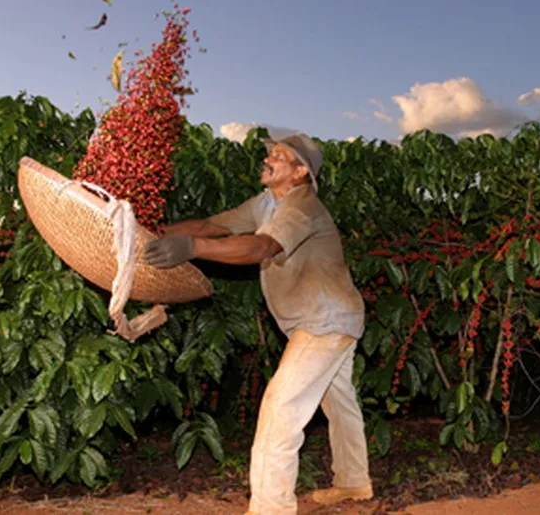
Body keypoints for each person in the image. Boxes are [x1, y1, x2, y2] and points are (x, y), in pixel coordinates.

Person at [144, 133, 373, 515]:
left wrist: (193, 251)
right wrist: (151, 230)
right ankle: (353, 482)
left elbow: (261, 247)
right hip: (333, 318)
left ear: (300, 173)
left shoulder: (303, 208)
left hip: (325, 321)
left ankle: (271, 508)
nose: (268, 157)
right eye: (270, 152)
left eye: (279, 155)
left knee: (279, 409)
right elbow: (213, 226)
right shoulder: (267, 202)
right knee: (340, 404)